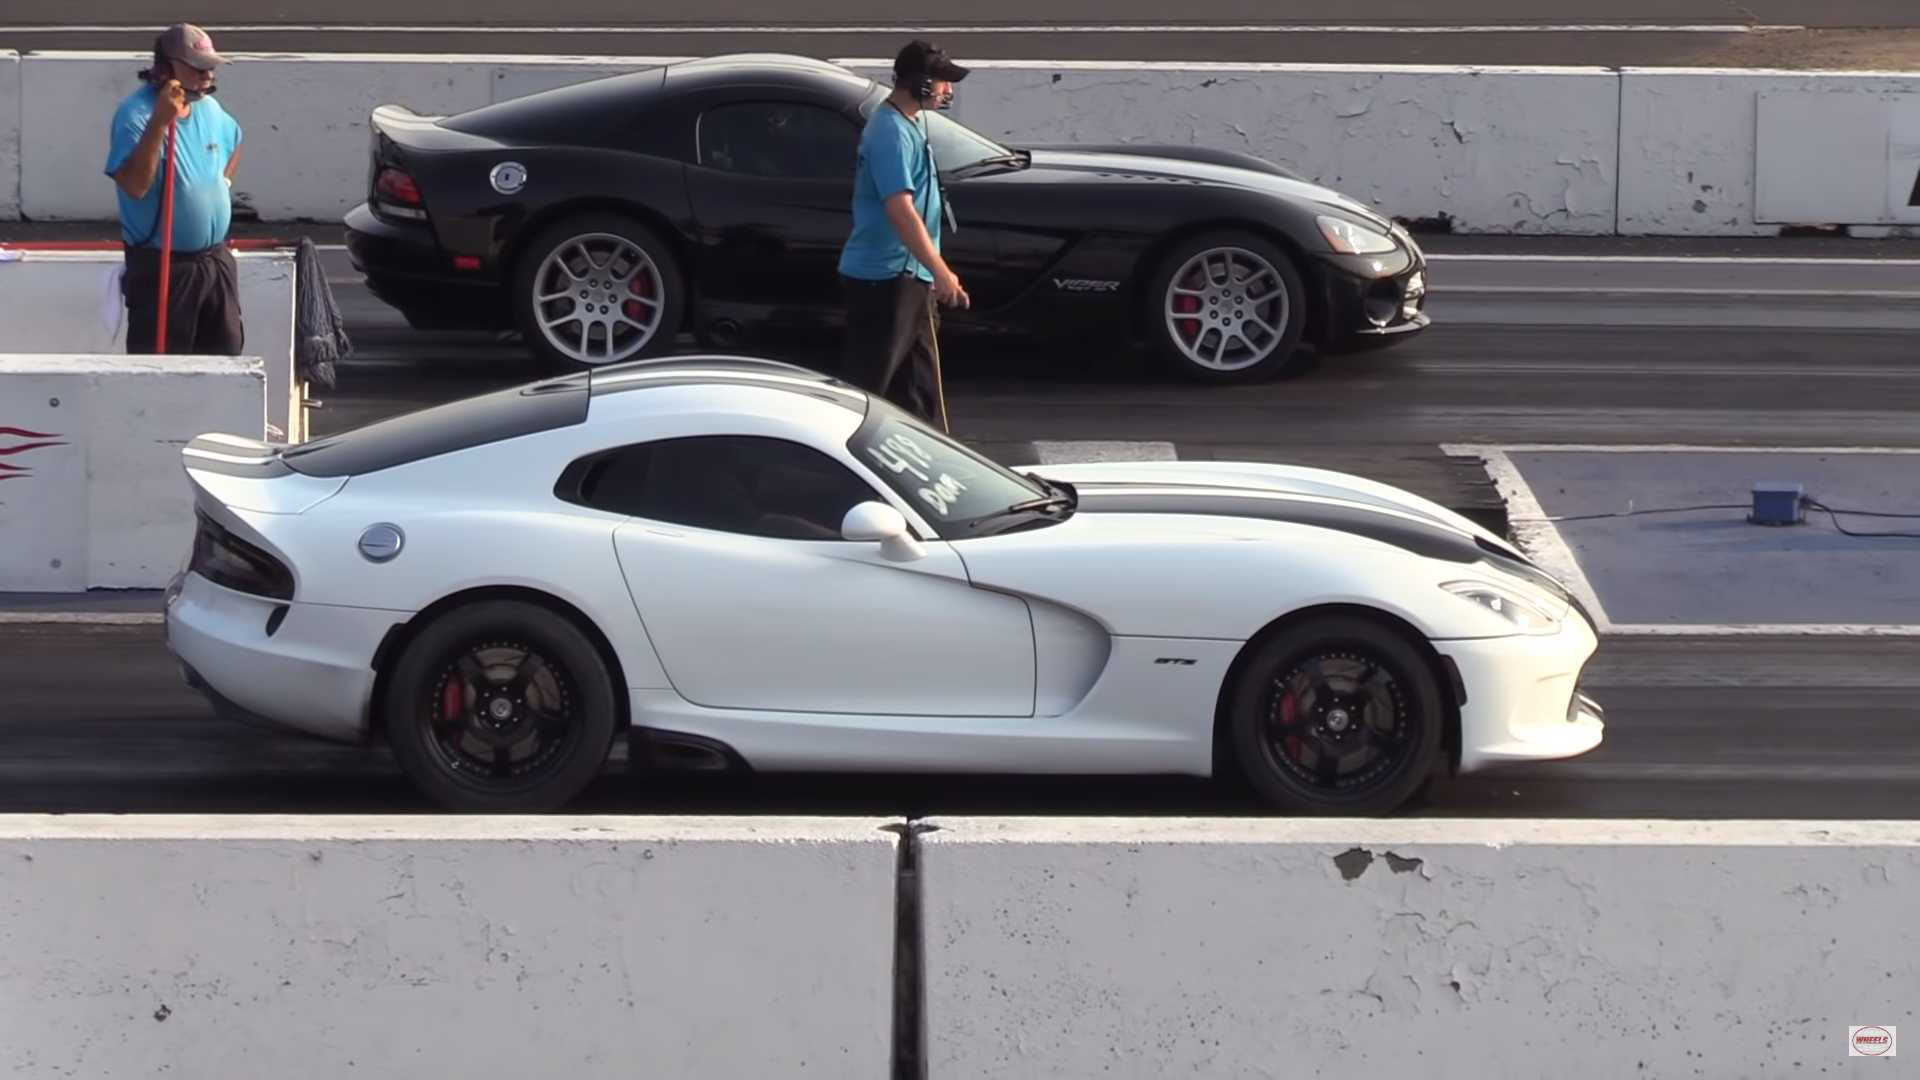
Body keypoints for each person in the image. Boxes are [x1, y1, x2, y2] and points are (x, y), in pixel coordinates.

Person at [837, 40, 971, 431]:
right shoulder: (890, 133)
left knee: (920, 398)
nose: (950, 90)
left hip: (908, 279)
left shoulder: (905, 124)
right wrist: (942, 272)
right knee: (868, 396)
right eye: (944, 82)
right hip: (887, 281)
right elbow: (900, 209)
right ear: (922, 83)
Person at [105, 23, 245, 355]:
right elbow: (135, 185)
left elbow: (236, 141)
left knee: (226, 355)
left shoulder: (210, 110)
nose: (208, 75)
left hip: (214, 262)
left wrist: (222, 183)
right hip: (165, 267)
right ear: (167, 68)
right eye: (198, 68)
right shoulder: (135, 115)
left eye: (211, 67)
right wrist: (159, 122)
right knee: (162, 363)